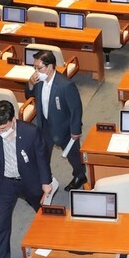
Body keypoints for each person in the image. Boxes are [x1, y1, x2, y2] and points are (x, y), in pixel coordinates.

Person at [0, 100, 52, 258]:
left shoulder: (30, 132)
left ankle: (51, 244)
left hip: (30, 181)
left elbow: (42, 159)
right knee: (2, 224)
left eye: (4, 128)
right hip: (5, 182)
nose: (0, 133)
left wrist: (46, 182)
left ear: (13, 120)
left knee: (44, 215)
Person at [25, 50, 87, 190]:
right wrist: (29, 84)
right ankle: (46, 180)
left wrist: (75, 130)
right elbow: (29, 94)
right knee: (42, 155)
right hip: (45, 124)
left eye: (39, 68)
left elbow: (76, 109)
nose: (36, 71)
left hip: (64, 127)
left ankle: (80, 175)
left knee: (74, 156)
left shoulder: (66, 85)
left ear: (51, 66)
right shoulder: (38, 81)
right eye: (34, 67)